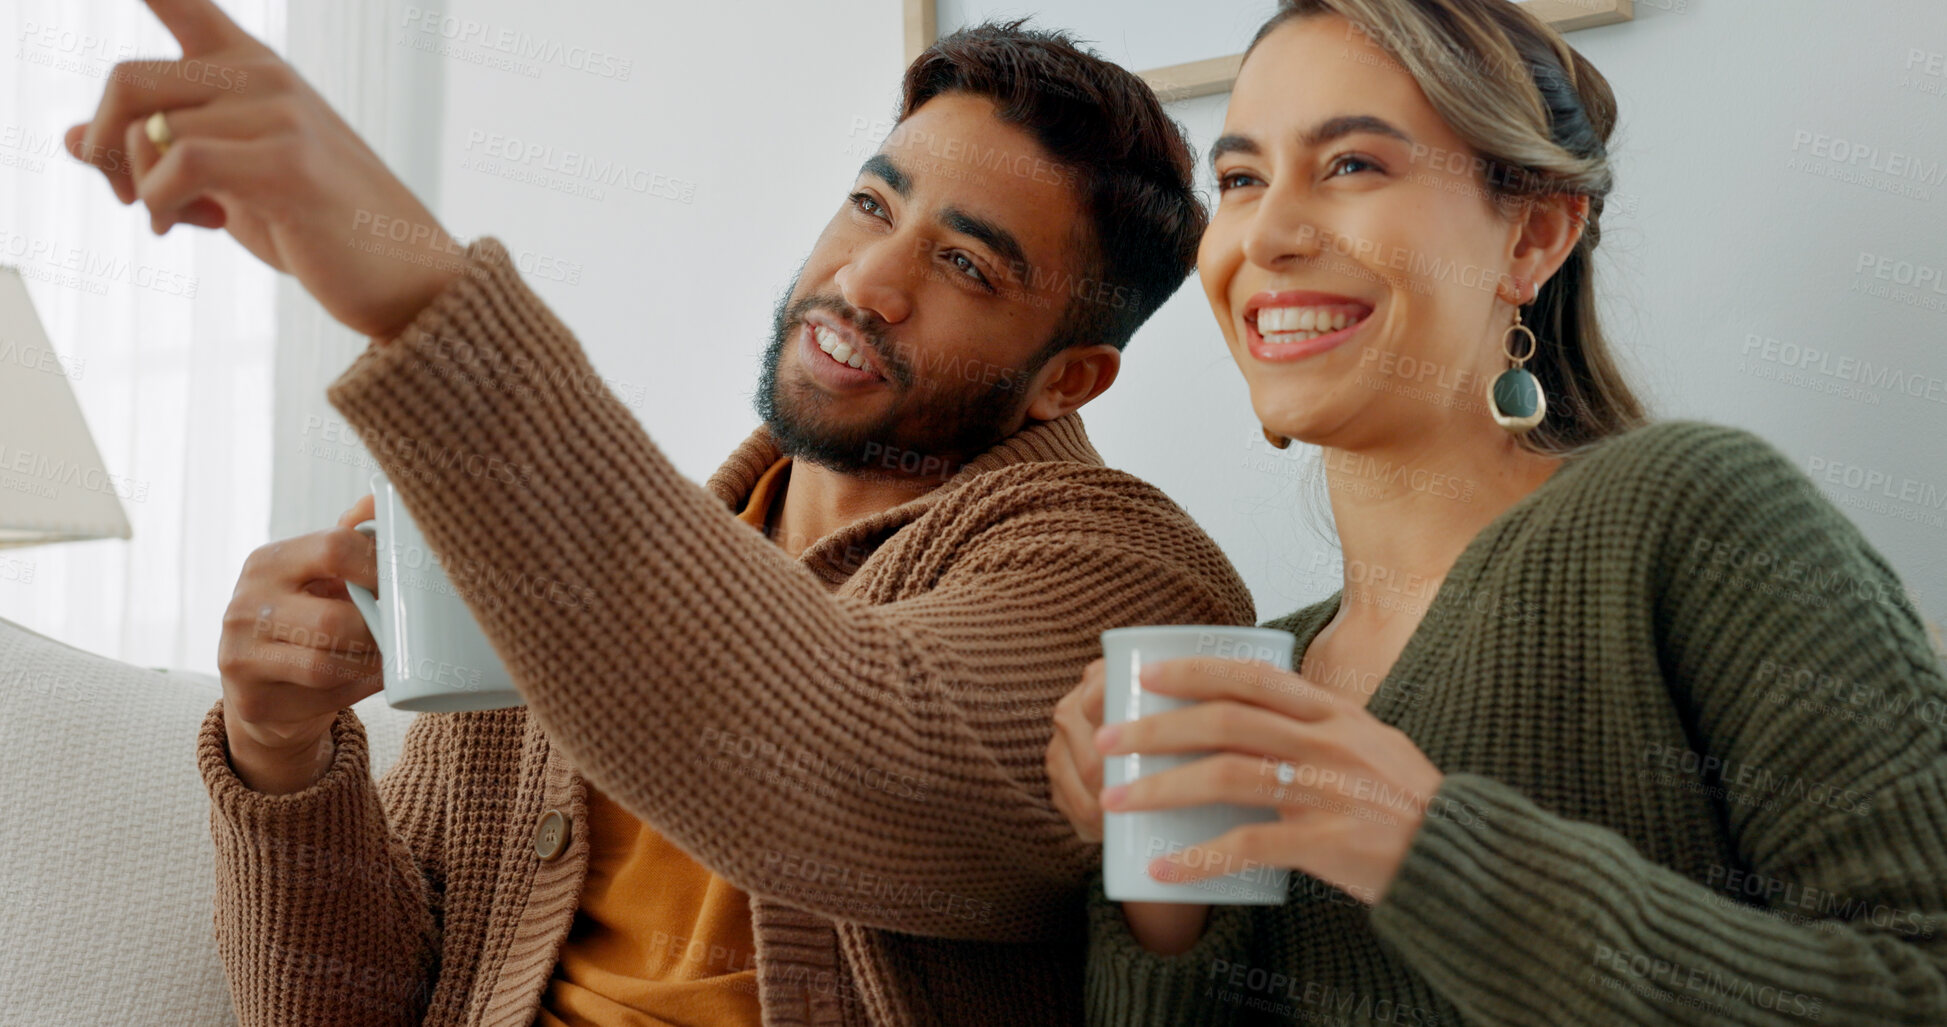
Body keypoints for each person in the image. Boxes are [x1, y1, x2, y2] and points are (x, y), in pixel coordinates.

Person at [61, 4, 1257, 1025]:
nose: (866, 282)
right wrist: (282, 753)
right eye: (870, 204)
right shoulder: (601, 568)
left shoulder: (1126, 577)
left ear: (1068, 378)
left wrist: (428, 299)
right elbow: (346, 1003)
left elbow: (838, 743)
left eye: (966, 268)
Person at [1046, 1, 1947, 1024]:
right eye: (1242, 179)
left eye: (1351, 166)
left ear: (1534, 234)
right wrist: (1166, 900)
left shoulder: (1694, 513)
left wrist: (1428, 850)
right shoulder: (1269, 669)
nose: (1272, 235)